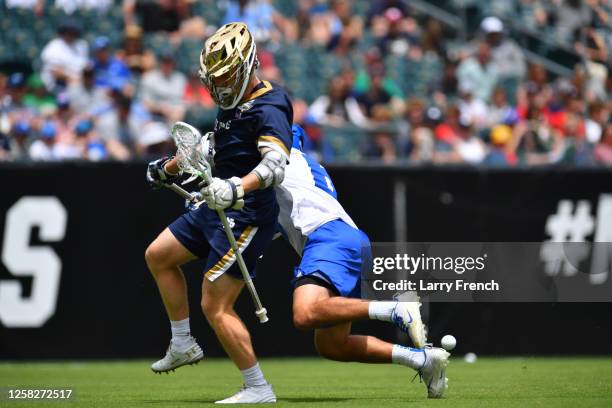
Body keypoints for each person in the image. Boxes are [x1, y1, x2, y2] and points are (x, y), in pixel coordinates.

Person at [144, 22, 292, 404]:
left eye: (227, 74)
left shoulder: (271, 104)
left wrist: (236, 187)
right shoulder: (232, 106)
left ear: (247, 65)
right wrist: (168, 167)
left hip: (247, 213)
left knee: (215, 303)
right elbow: (210, 150)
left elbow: (275, 163)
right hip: (214, 208)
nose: (221, 82)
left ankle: (259, 388)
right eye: (217, 75)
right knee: (158, 256)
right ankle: (182, 344)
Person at [276, 125, 449, 399]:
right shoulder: (302, 165)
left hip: (327, 237)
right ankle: (422, 360)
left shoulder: (279, 158)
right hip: (348, 239)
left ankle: (395, 309)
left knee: (305, 312)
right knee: (332, 345)